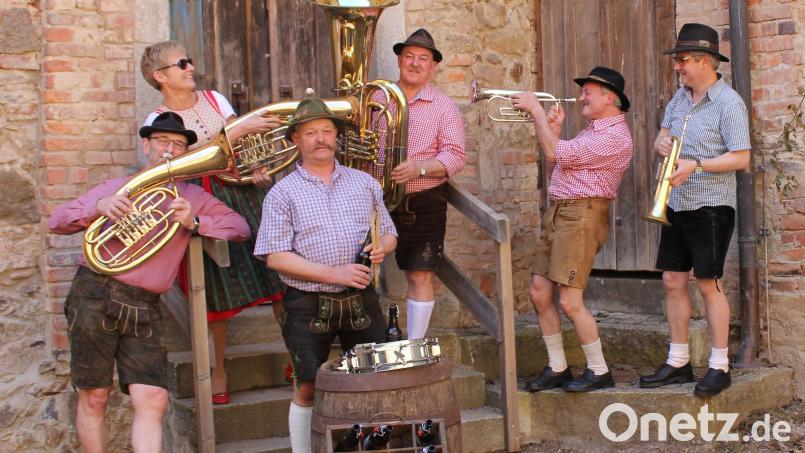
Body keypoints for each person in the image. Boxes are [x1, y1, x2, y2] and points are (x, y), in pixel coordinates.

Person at [48, 112, 250, 452]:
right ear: (146, 145)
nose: (170, 149)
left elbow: (240, 228)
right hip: (95, 293)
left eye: (179, 144)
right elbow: (57, 221)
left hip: (145, 304)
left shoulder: (190, 196)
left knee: (154, 397)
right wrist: (99, 206)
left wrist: (196, 222)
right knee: (95, 395)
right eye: (163, 141)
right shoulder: (117, 188)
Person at [140, 41, 285, 404]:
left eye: (189, 61)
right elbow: (170, 168)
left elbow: (244, 144)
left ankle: (293, 356)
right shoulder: (155, 122)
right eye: (181, 63)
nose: (190, 67)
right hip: (201, 199)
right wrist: (230, 136)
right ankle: (217, 370)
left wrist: (255, 165)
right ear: (160, 76)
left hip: (243, 191)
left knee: (278, 272)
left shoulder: (215, 99)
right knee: (216, 289)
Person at [254, 94, 397, 453]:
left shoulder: (364, 183)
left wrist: (383, 247)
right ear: (296, 140)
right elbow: (275, 257)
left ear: (336, 136)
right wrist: (334, 274)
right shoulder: (282, 193)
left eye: (327, 131)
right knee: (307, 386)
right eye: (311, 133)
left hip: (362, 299)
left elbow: (389, 232)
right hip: (307, 303)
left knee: (373, 381)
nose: (321, 139)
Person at [639, 23, 750, 397]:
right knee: (672, 280)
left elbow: (741, 158)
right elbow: (663, 136)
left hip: (711, 206)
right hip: (676, 202)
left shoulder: (729, 103)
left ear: (704, 60)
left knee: (708, 283)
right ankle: (679, 361)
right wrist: (660, 143)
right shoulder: (679, 98)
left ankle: (720, 366)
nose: (677, 66)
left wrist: (696, 165)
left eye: (683, 60)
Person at [511, 66, 634, 392]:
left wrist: (537, 111)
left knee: (569, 300)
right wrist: (553, 128)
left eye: (587, 92)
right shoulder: (591, 132)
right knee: (539, 291)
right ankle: (558, 367)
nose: (581, 98)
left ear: (609, 98)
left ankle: (599, 370)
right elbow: (557, 166)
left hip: (581, 216)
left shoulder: (614, 136)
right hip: (560, 212)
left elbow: (556, 152)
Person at [386, 28, 466, 340]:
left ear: (433, 67)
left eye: (423, 59)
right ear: (399, 60)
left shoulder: (444, 105)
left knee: (419, 274)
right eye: (409, 56)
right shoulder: (378, 98)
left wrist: (418, 168)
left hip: (421, 199)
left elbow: (455, 156)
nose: (415, 63)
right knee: (357, 269)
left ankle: (414, 345)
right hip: (372, 198)